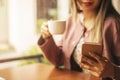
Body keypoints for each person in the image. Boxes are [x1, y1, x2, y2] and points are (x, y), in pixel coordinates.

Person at [38, 0, 120, 80]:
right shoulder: (71, 20)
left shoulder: (114, 24)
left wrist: (113, 71)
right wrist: (46, 37)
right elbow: (58, 59)